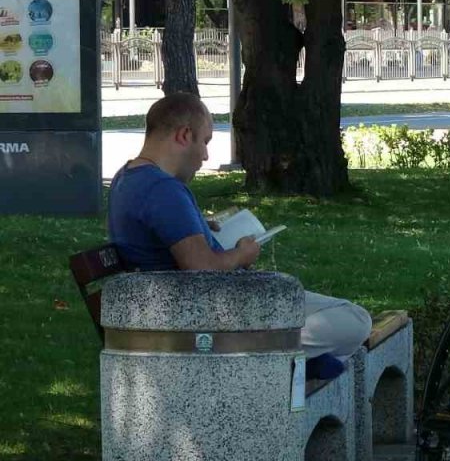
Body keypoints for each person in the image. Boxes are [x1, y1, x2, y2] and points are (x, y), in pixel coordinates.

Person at [107, 93, 373, 368]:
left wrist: (198, 226)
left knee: (343, 323)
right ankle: (273, 353)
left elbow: (164, 240)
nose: (206, 155)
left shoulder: (126, 178)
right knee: (355, 320)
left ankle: (292, 358)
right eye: (205, 141)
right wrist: (241, 254)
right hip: (210, 319)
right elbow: (202, 267)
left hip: (179, 312)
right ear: (184, 135)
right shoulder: (163, 190)